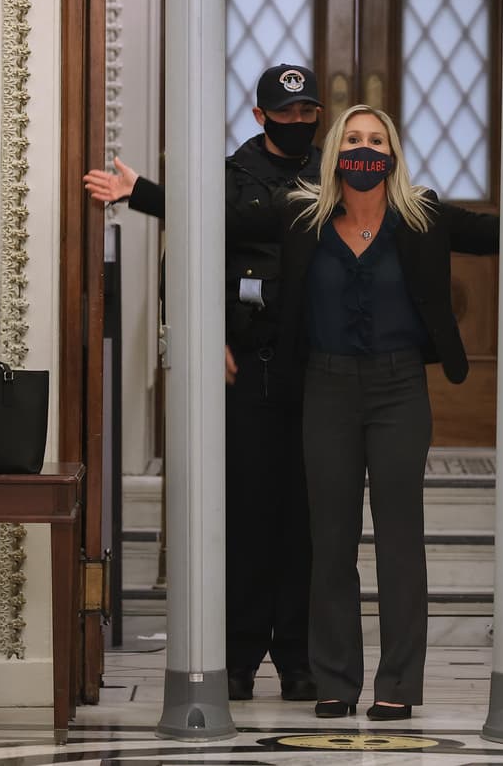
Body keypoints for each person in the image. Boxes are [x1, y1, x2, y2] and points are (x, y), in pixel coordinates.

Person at [224, 104, 503, 721]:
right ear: (333, 151)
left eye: (376, 139)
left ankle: (398, 682)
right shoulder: (300, 215)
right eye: (353, 139)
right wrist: (141, 193)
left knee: (401, 541)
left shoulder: (421, 216)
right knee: (330, 541)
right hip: (324, 388)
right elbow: (221, 224)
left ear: (393, 152)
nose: (365, 149)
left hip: (400, 391)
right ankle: (335, 681)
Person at [83, 64, 324, 701]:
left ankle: (299, 659)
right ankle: (240, 656)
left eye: (308, 114)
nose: (298, 124)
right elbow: (189, 253)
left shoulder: (334, 175)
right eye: (286, 113)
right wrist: (203, 334)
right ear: (259, 116)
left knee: (304, 521)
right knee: (245, 515)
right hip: (242, 368)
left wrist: (148, 194)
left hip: (315, 370)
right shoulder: (224, 177)